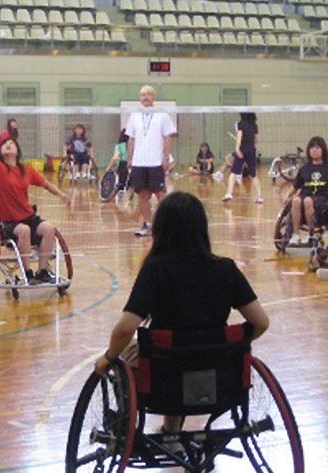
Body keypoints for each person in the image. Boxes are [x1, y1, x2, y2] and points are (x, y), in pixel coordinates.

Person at [93, 191, 270, 433]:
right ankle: (171, 430)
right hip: (216, 369)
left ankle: (162, 431)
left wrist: (108, 358)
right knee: (186, 352)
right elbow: (260, 323)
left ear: (161, 229)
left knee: (129, 347)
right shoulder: (226, 269)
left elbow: (125, 327)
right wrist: (227, 347)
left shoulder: (155, 270)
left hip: (165, 373)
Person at [0, 115, 71, 284]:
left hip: (28, 217)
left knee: (49, 228)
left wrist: (62, 195)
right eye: (5, 144)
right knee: (24, 231)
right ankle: (27, 273)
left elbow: (46, 184)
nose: (7, 144)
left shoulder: (26, 170)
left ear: (17, 151)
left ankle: (42, 272)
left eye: (11, 143)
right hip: (7, 222)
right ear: (2, 151)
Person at [126, 85, 177, 237]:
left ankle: (167, 225)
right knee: (142, 196)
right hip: (139, 162)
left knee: (160, 195)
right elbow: (131, 138)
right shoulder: (134, 116)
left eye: (148, 94)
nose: (145, 97)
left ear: (154, 97)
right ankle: (148, 224)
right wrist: (129, 158)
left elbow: (168, 137)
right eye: (143, 95)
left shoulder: (162, 115)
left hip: (156, 162)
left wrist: (166, 157)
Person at [283, 136, 328, 247]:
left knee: (307, 201)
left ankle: (311, 235)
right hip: (305, 197)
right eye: (312, 148)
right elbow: (295, 187)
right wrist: (287, 196)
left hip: (324, 201)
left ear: (323, 150)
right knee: (296, 200)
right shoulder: (304, 169)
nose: (314, 150)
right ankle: (296, 235)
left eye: (317, 147)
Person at [222, 113, 263, 203]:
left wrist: (237, 149)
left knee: (233, 172)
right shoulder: (254, 125)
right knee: (253, 174)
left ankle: (229, 193)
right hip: (251, 150)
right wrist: (253, 147)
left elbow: (239, 135)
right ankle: (259, 196)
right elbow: (256, 138)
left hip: (242, 149)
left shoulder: (241, 124)